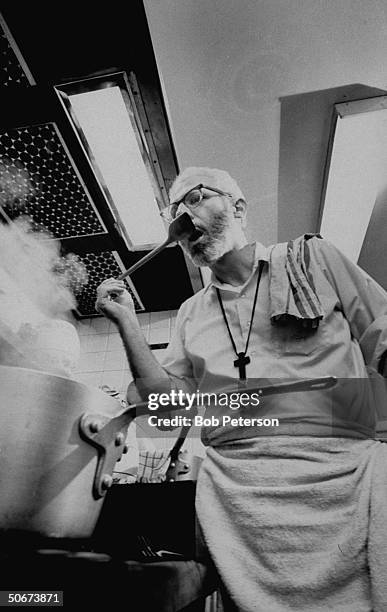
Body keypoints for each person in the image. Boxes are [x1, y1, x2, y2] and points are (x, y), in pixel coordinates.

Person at [96, 167, 387, 612]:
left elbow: (384, 335)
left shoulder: (313, 261)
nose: (181, 215)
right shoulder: (192, 312)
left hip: (341, 479)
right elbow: (168, 409)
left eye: (193, 198)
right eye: (173, 211)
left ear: (238, 207)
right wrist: (128, 325)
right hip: (238, 496)